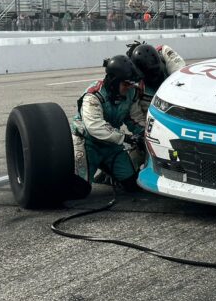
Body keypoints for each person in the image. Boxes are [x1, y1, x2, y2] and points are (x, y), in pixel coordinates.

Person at [70, 55, 145, 192]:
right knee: (80, 191)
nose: (129, 87)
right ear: (114, 81)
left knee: (132, 185)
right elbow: (94, 127)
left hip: (111, 145)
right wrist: (127, 138)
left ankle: (106, 171)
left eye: (130, 84)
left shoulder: (131, 93)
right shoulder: (93, 95)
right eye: (125, 84)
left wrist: (144, 135)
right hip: (87, 143)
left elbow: (135, 118)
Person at [127, 42, 185, 126]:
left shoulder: (166, 54)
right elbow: (136, 116)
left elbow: (184, 77)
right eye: (151, 74)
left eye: (156, 70)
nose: (155, 76)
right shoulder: (133, 85)